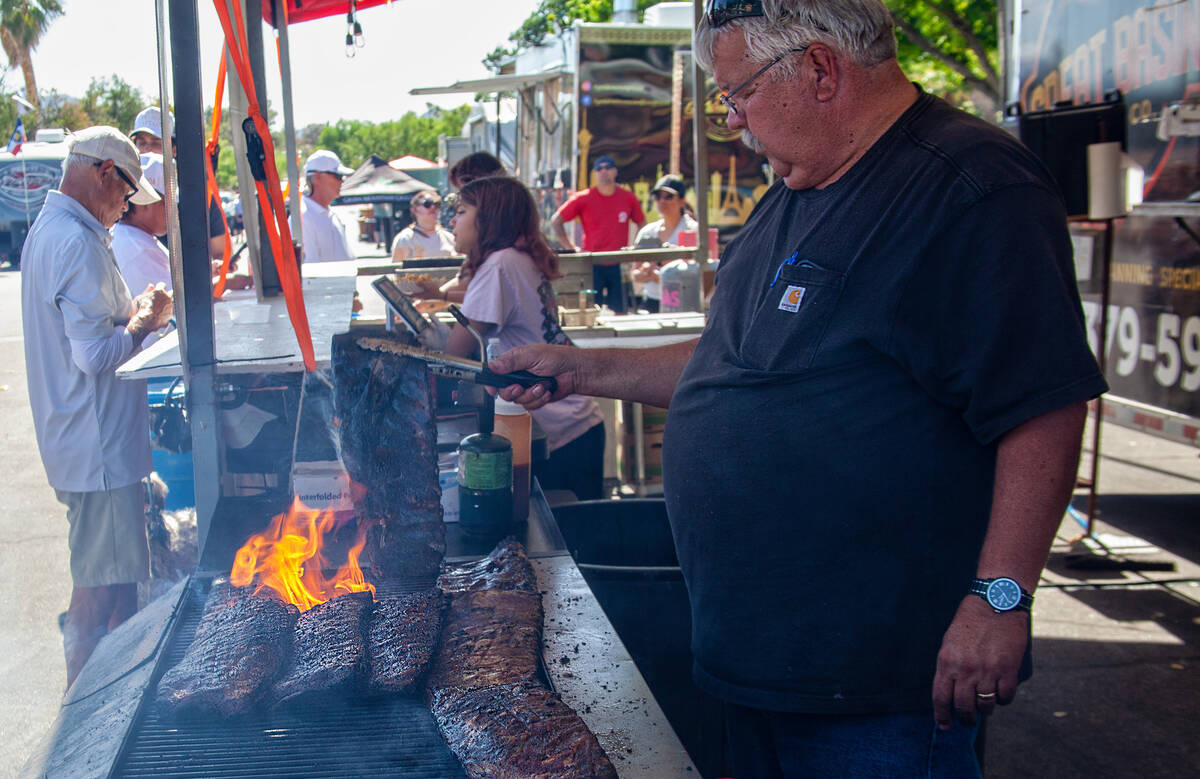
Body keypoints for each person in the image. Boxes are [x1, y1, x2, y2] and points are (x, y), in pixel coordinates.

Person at [489, 1, 1109, 775]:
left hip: (875, 684)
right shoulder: (796, 189)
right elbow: (734, 362)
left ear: (819, 70)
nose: (735, 123)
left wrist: (1000, 597)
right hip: (755, 661)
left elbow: (1043, 404)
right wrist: (581, 368)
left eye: (737, 95)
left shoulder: (973, 188)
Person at [21, 126, 174, 687]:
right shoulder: (76, 240)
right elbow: (94, 355)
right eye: (127, 193)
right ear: (105, 173)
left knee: (108, 580)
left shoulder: (56, 229)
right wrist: (147, 320)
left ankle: (96, 706)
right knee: (101, 588)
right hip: (97, 447)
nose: (127, 206)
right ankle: (83, 724)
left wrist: (135, 313)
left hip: (83, 441)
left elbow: (84, 333)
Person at [447, 176, 606, 501]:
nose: (452, 220)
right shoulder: (515, 258)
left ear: (488, 218)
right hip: (578, 424)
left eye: (461, 211)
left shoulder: (498, 266)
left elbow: (454, 353)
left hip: (559, 432)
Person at [130, 106, 229, 263]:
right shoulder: (120, 193)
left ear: (174, 148)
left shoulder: (199, 195)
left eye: (156, 143)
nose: (147, 150)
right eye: (142, 143)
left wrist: (215, 268)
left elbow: (220, 253)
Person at [550, 155, 645, 313]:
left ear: (615, 171)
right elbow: (556, 221)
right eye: (599, 168)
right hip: (591, 262)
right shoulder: (584, 198)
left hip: (619, 262)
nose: (604, 171)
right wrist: (572, 248)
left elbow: (642, 224)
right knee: (589, 310)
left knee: (621, 311)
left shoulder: (628, 198)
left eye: (608, 167)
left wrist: (635, 249)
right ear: (594, 174)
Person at [631, 174, 699, 312]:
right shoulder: (647, 232)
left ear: (682, 201)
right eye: (658, 196)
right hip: (651, 302)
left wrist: (664, 274)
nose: (662, 201)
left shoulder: (693, 230)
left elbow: (699, 271)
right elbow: (635, 272)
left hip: (685, 302)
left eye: (668, 197)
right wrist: (645, 274)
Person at [301, 149, 355, 262]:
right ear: (317, 177)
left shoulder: (333, 216)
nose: (342, 181)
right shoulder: (303, 218)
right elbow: (311, 274)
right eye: (338, 176)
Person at [390, 192, 455, 261]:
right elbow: (397, 268)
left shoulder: (450, 238)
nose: (433, 207)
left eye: (437, 205)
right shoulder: (404, 239)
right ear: (414, 210)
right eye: (427, 204)